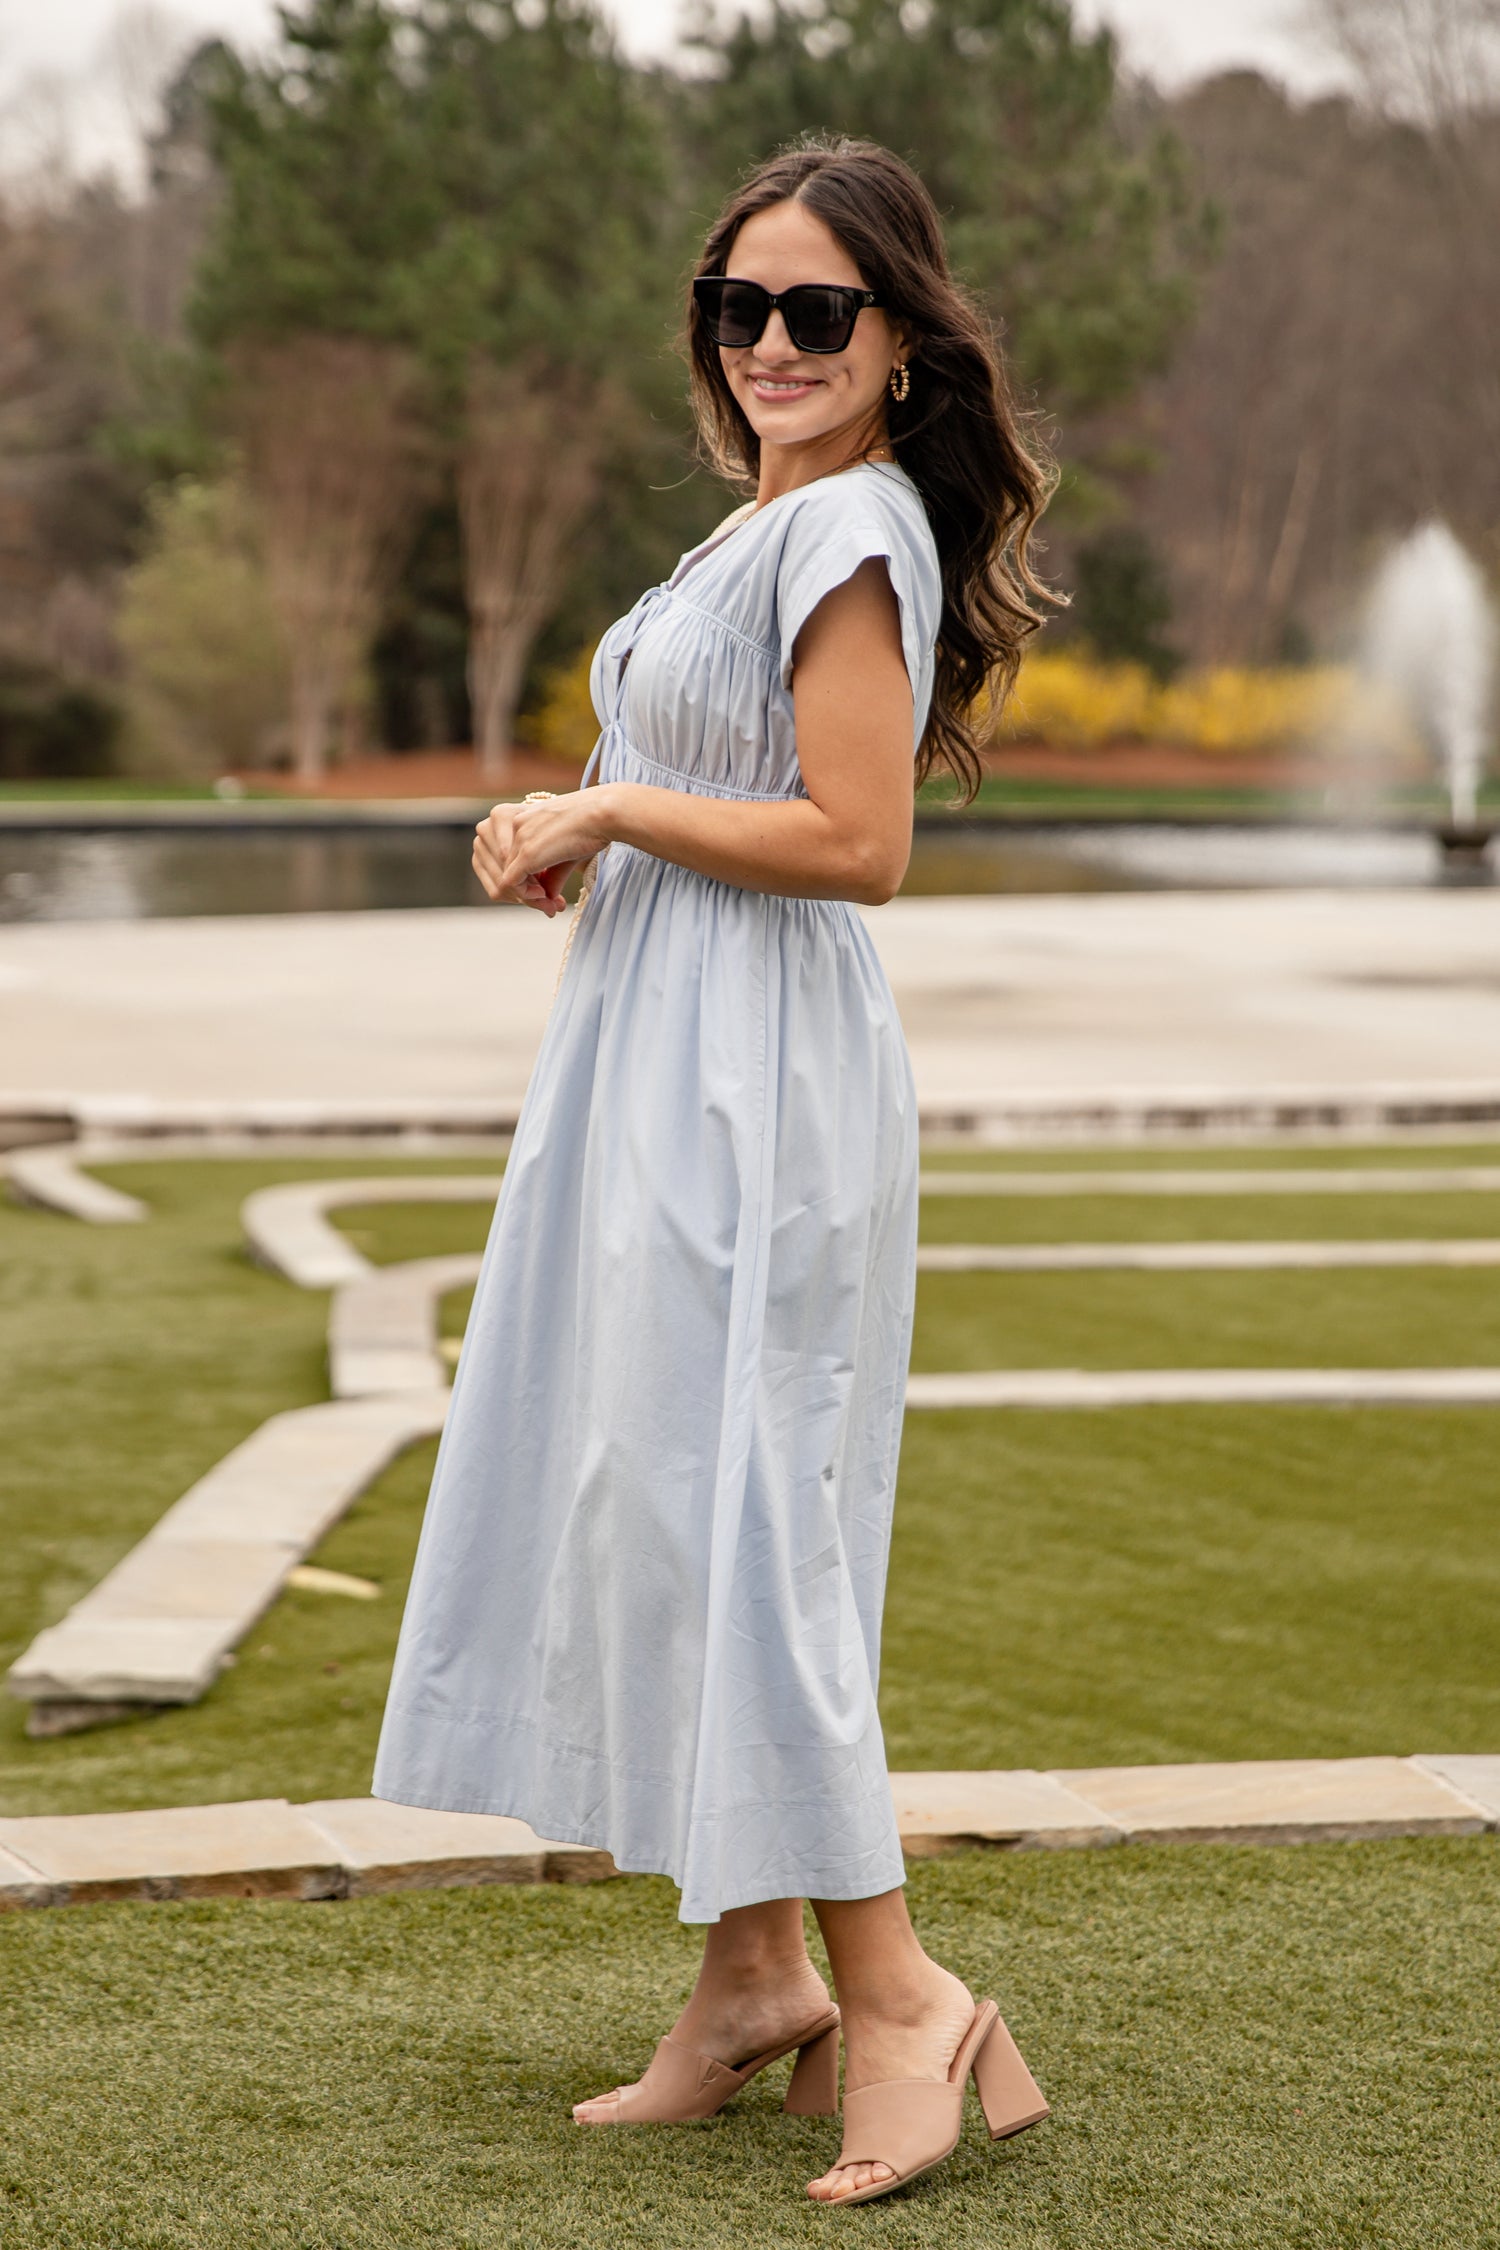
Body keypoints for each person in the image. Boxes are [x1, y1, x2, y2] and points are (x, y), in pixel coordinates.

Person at [371, 133, 1057, 2208]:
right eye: (738, 306)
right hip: (661, 1055)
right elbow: (701, 795)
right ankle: (755, 1976)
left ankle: (905, 1992)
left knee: (744, 1512)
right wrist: (570, 827)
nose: (769, 340)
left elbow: (858, 844)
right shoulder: (745, 535)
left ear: (901, 343)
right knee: (656, 1492)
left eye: (816, 310)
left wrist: (614, 813)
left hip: (756, 1087)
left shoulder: (849, 529)